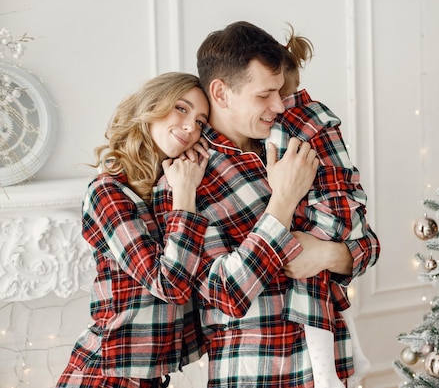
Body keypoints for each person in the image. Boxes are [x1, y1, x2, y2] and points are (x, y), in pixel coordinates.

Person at [154, 20, 380, 387]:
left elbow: (368, 243)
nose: (279, 104)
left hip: (334, 370)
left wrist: (328, 255)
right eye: (264, 95)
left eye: (279, 91)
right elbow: (225, 293)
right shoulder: (184, 180)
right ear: (221, 93)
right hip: (256, 374)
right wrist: (284, 200)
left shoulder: (295, 142)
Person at [56, 72, 212, 388]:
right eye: (181, 109)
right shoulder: (107, 191)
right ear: (153, 106)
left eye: (200, 122)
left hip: (149, 379)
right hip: (105, 374)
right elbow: (171, 285)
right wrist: (185, 195)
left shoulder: (166, 190)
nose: (189, 127)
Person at [267, 24, 374, 388]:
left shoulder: (282, 125)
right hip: (345, 215)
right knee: (328, 290)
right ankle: (354, 354)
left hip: (322, 219)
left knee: (308, 290)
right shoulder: (317, 112)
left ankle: (326, 375)